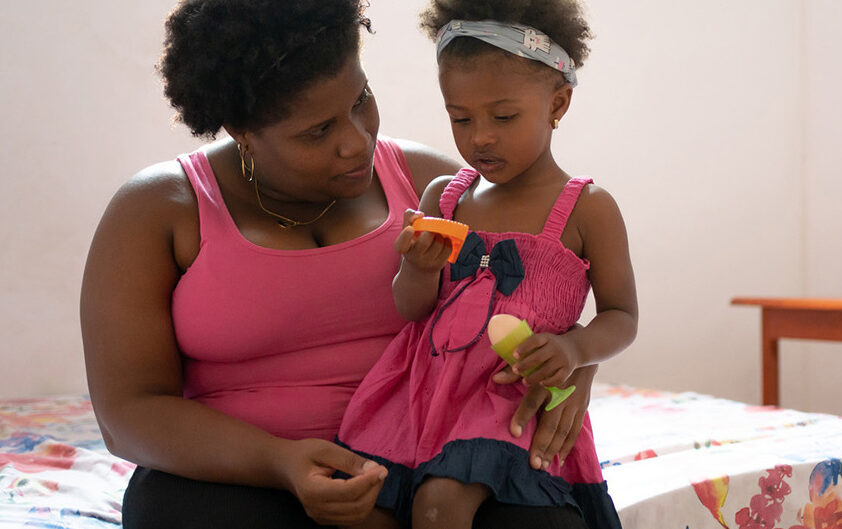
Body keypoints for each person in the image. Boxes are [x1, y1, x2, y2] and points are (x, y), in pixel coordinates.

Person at [79, 1, 600, 527]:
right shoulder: (160, 210)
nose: (356, 141)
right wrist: (279, 461)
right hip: (239, 476)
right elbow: (130, 413)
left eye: (362, 100)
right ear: (240, 129)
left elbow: (543, 287)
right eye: (317, 131)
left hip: (429, 463)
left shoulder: (436, 189)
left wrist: (578, 360)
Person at [336, 1, 639, 528]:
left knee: (439, 507)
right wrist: (420, 268)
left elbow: (623, 318)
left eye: (503, 117)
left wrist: (574, 348)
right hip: (424, 397)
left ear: (557, 104)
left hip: (509, 399)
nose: (480, 137)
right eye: (461, 118)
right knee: (363, 508)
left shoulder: (589, 208)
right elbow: (412, 309)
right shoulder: (442, 198)